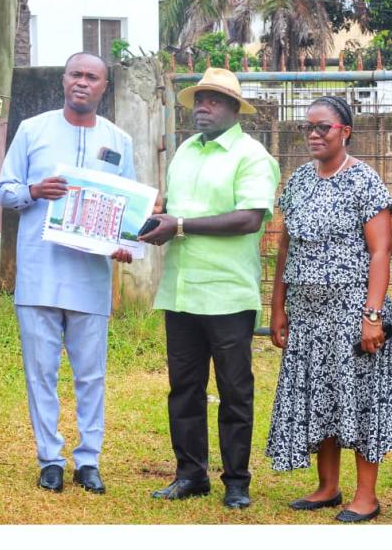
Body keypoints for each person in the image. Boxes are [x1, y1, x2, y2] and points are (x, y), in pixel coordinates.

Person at [264, 95, 392, 522]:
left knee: (361, 397)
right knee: (321, 394)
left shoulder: (365, 181)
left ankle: (366, 495)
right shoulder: (298, 181)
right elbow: (286, 247)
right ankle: (327, 486)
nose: (313, 134)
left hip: (352, 309)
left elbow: (381, 252)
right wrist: (278, 307)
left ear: (345, 131)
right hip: (307, 312)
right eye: (306, 127)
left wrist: (373, 317)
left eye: (322, 127)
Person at [140, 67, 280, 510]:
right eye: (200, 98)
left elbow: (249, 219)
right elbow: (172, 208)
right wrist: (154, 217)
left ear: (235, 109)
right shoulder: (184, 150)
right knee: (184, 387)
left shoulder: (252, 156)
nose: (203, 106)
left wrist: (179, 224)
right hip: (181, 290)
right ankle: (190, 474)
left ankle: (236, 480)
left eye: (215, 100)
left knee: (235, 389)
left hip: (226, 293)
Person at [0, 52, 134, 494]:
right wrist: (34, 191)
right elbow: (5, 190)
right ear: (63, 80)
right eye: (75, 74)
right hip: (39, 273)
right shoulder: (32, 130)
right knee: (41, 372)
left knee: (91, 373)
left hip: (90, 277)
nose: (82, 82)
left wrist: (123, 244)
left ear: (103, 86)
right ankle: (50, 458)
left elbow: (125, 207)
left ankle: (89, 460)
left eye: (92, 77)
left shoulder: (119, 140)